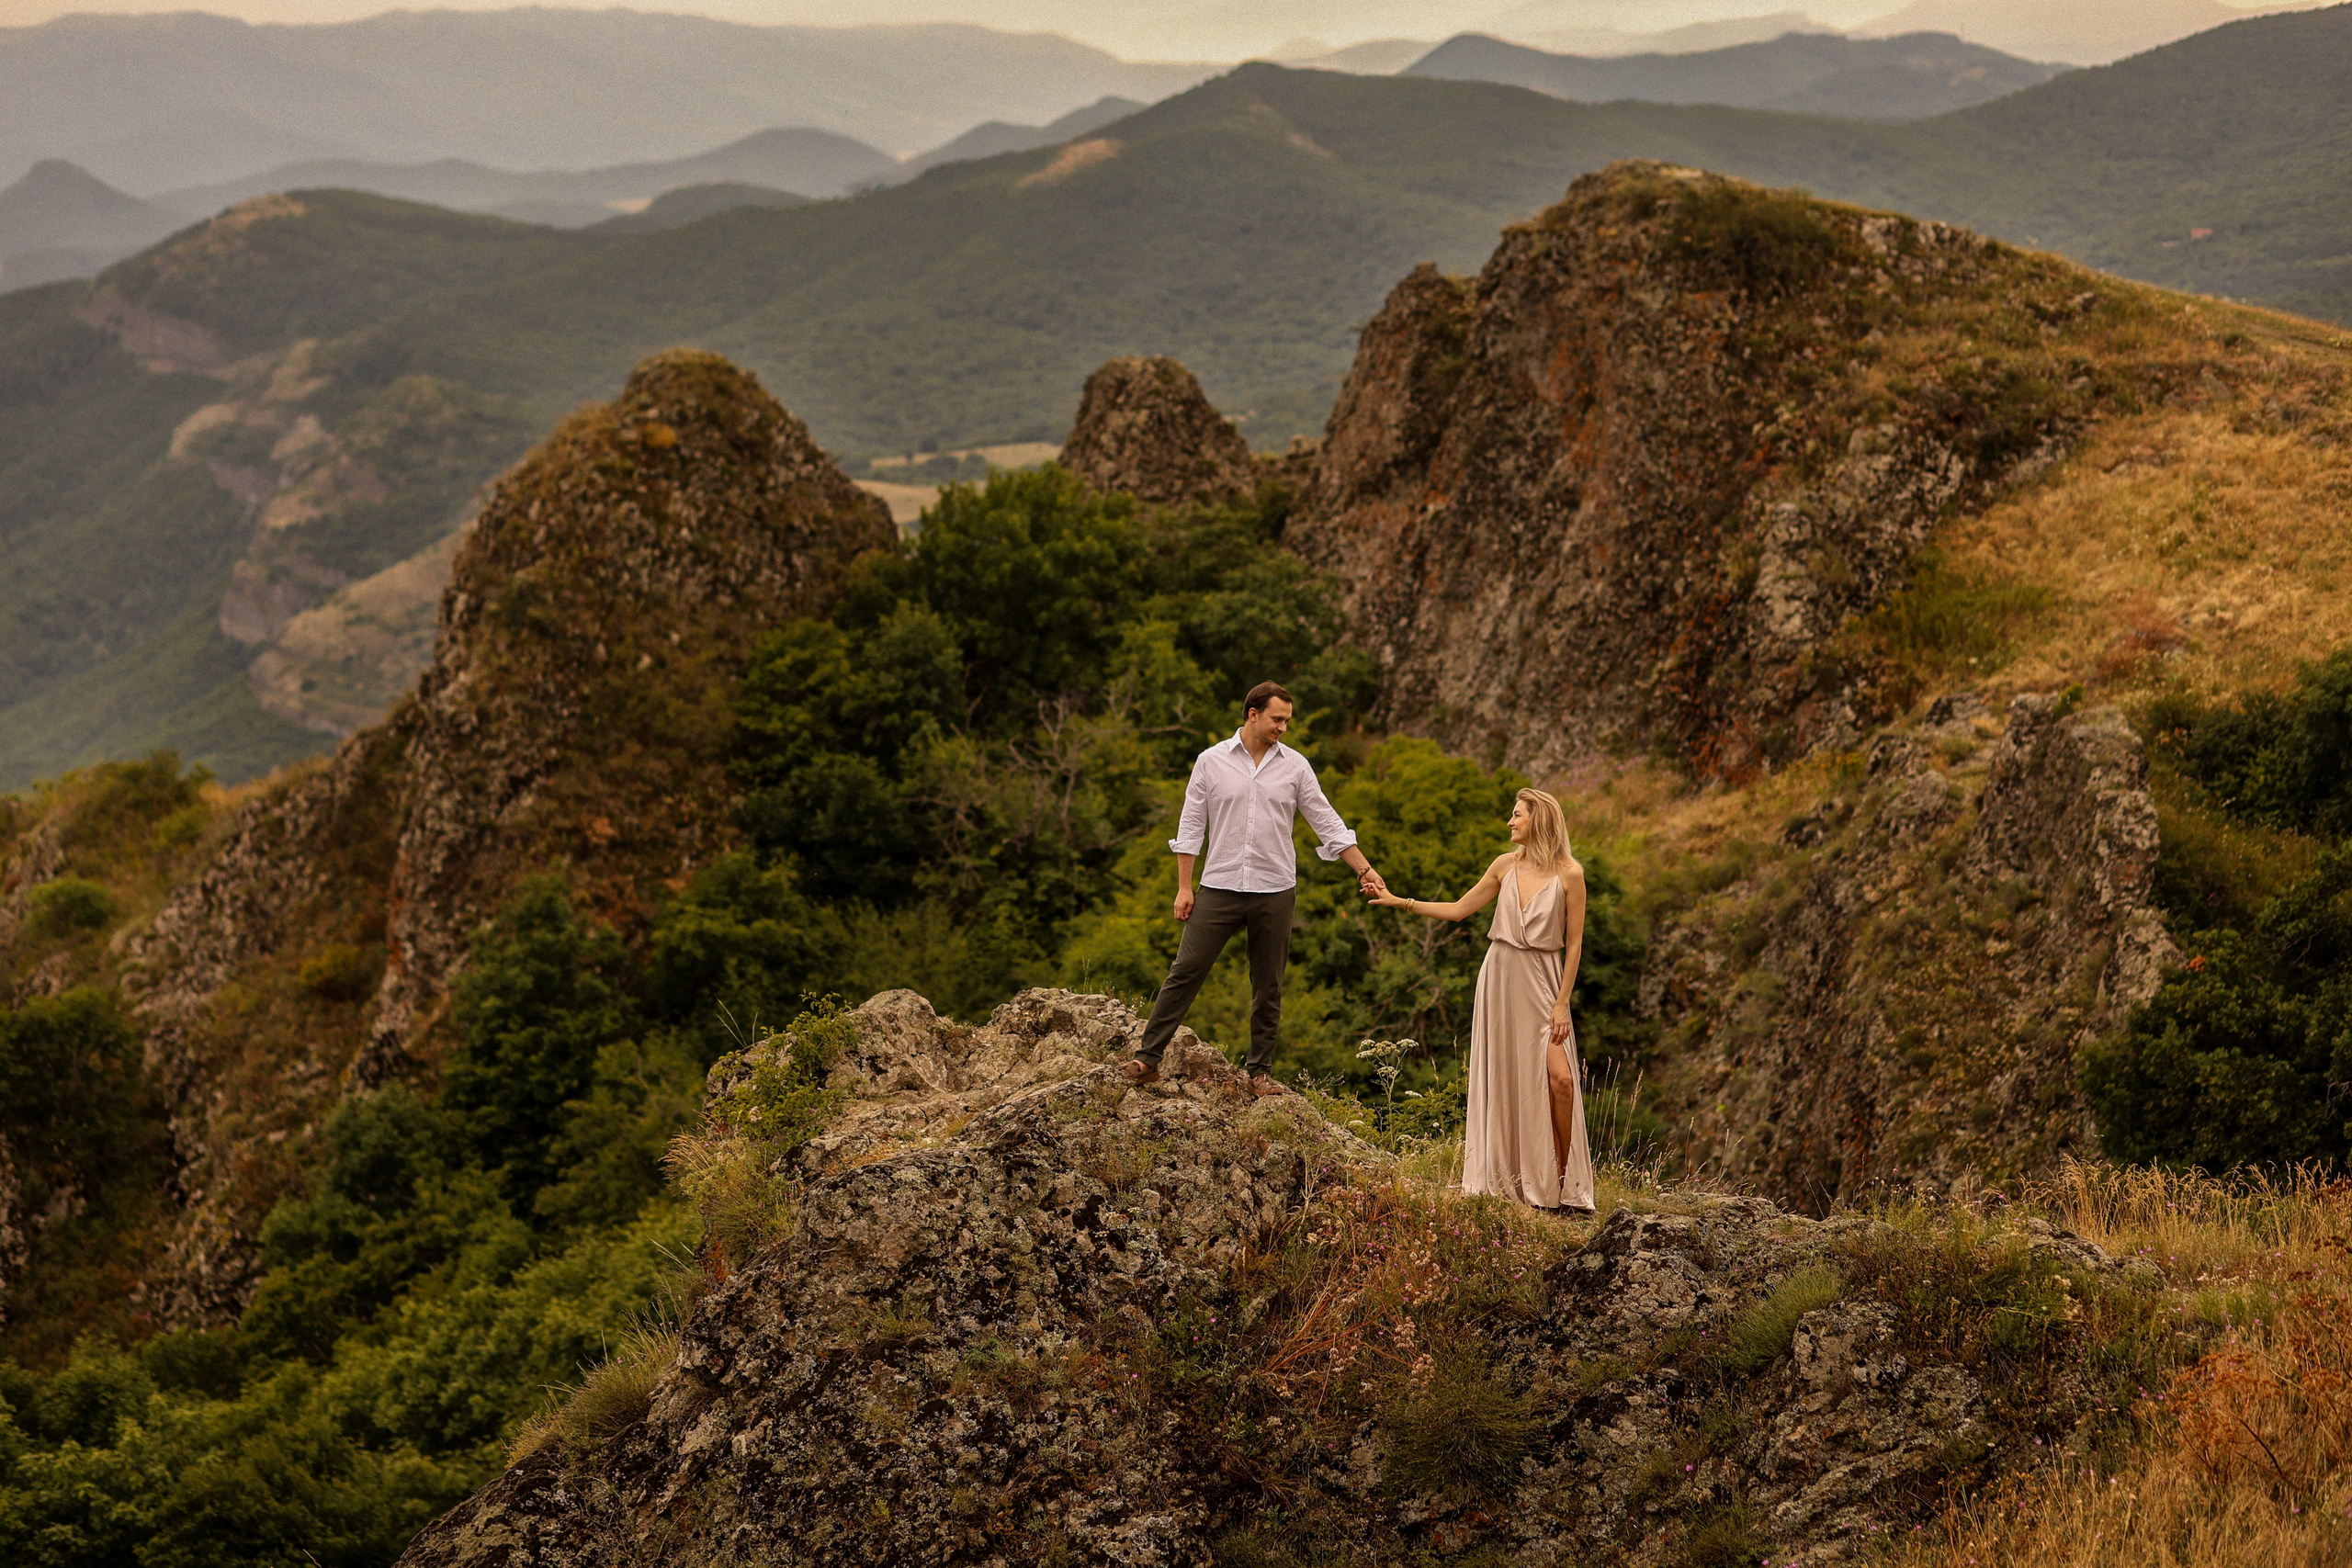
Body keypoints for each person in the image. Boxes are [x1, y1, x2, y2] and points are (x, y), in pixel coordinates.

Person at [1121, 681, 1386, 1099]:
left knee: (1268, 985)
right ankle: (1146, 1059)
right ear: (1253, 714)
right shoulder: (1210, 762)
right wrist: (1184, 887)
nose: (1283, 727)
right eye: (1277, 719)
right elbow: (1191, 826)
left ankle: (1259, 1072)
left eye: (1287, 720)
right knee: (1185, 971)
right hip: (1219, 886)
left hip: (1275, 889)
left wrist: (1364, 869)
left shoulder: (1296, 766)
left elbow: (1327, 822)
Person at [1368, 787, 1594, 1212]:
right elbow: (1458, 910)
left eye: (1516, 815)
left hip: (1544, 982)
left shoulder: (1571, 874)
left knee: (1560, 1082)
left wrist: (1563, 1002)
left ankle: (1561, 1183)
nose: (1510, 823)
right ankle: (1518, 1182)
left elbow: (1576, 943)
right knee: (1510, 1079)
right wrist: (1401, 902)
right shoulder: (1504, 865)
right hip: (1500, 977)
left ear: (1538, 820)